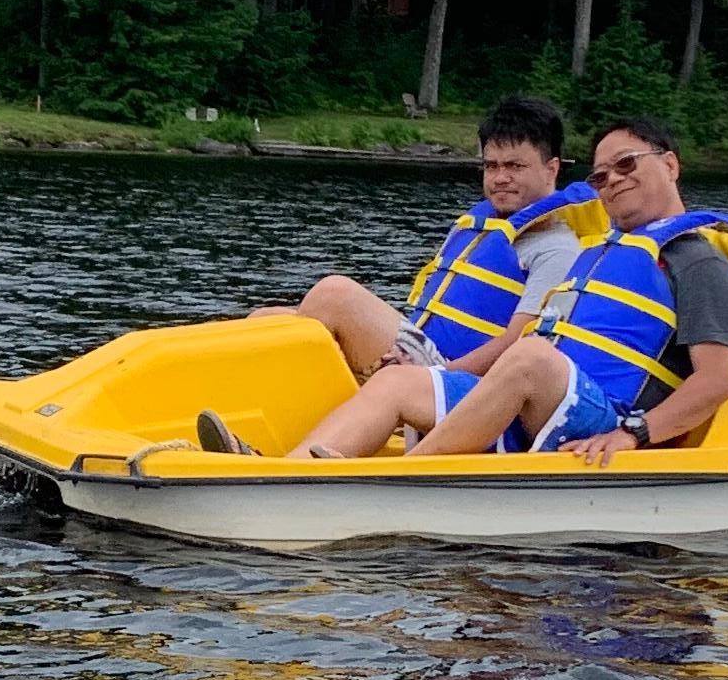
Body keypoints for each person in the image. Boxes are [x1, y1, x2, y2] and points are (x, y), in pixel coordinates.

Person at [263, 113, 728, 466]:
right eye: (601, 175)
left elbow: (717, 381)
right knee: (398, 382)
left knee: (530, 356)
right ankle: (292, 471)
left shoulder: (700, 262)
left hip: (604, 416)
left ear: (669, 165)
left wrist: (633, 434)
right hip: (537, 397)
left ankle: (403, 477)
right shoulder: (600, 252)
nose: (612, 182)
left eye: (627, 164)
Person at [197, 97, 594, 454]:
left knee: (333, 294)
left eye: (515, 166)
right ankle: (252, 432)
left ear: (551, 168)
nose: (500, 177)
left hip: (465, 380)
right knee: (268, 323)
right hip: (422, 353)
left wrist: (432, 372)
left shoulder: (555, 249)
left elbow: (516, 345)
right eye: (491, 166)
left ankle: (283, 468)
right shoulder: (482, 225)